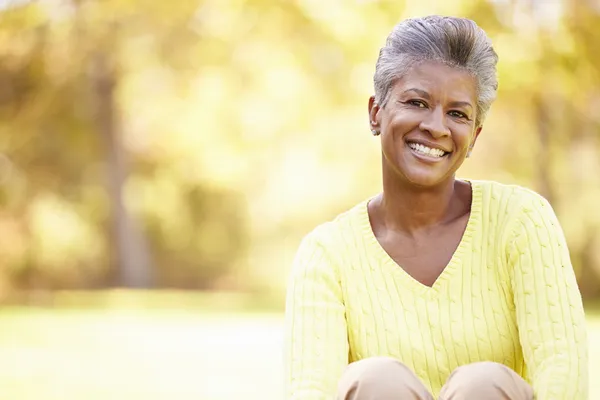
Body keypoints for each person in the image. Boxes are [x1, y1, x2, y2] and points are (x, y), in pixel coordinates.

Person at [283, 15, 588, 400]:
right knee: (378, 380)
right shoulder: (327, 255)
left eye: (457, 113)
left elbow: (563, 370)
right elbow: (310, 390)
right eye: (417, 102)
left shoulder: (521, 220)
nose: (437, 127)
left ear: (474, 135)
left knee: (483, 384)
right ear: (376, 112)